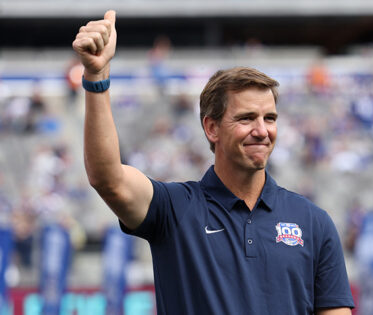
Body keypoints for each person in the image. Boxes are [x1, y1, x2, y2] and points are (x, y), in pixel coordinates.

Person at [72, 10, 355, 315]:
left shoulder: (313, 221)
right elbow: (108, 179)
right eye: (246, 118)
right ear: (212, 128)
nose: (262, 130)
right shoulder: (175, 209)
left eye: (269, 118)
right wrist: (96, 77)